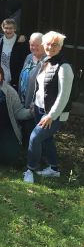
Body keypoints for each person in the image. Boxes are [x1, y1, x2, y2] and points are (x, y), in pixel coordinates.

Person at [23, 31, 74, 184]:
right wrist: (33, 102)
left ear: (60, 46)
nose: (51, 47)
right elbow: (39, 88)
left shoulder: (65, 67)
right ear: (43, 45)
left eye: (55, 44)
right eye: (48, 44)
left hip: (53, 114)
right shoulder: (45, 60)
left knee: (35, 138)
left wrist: (51, 115)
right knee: (47, 139)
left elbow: (63, 96)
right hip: (39, 109)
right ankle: (54, 169)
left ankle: (30, 170)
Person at [0, 18, 30, 91]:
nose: (8, 30)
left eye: (11, 28)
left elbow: (24, 61)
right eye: (6, 28)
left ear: (15, 29)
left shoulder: (20, 41)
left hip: (14, 81)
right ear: (2, 28)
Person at [18, 33, 44, 146]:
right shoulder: (29, 57)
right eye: (31, 44)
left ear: (43, 45)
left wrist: (36, 102)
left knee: (32, 131)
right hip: (23, 100)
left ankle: (36, 156)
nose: (34, 47)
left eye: (37, 45)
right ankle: (25, 153)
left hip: (36, 105)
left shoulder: (46, 61)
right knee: (24, 129)